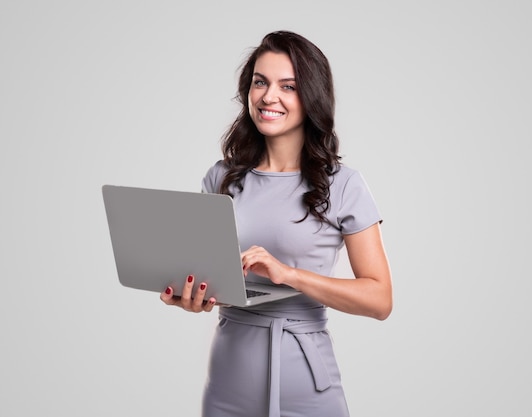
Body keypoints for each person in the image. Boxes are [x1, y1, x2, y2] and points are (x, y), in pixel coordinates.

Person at [160, 30, 392, 417]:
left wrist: (289, 275)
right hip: (227, 382)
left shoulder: (344, 184)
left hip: (307, 387)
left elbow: (380, 299)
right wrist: (189, 295)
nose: (269, 97)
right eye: (260, 82)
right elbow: (205, 275)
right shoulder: (220, 178)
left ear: (312, 97)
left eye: (288, 86)